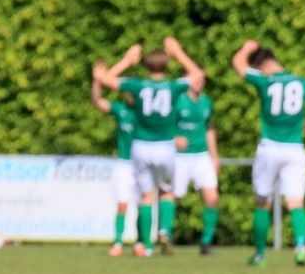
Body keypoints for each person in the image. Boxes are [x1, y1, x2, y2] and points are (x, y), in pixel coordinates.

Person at [95, 37, 203, 257]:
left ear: (146, 66)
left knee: (146, 196)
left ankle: (146, 246)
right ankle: (163, 231)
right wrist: (178, 52)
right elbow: (198, 76)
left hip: (140, 147)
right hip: (165, 145)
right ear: (167, 65)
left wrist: (126, 60)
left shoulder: (137, 85)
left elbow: (105, 79)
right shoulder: (173, 86)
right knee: (166, 192)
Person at [232, 40, 305, 267]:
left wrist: (246, 48)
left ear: (261, 66)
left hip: (269, 148)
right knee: (296, 202)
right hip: (295, 150)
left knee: (262, 201)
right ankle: (301, 247)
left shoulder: (264, 81)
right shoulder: (302, 83)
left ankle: (260, 255)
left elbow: (238, 64)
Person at [89, 63, 137, 257]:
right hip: (124, 163)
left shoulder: (148, 112)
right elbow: (97, 100)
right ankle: (118, 242)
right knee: (122, 203)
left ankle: (142, 243)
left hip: (143, 164)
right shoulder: (121, 110)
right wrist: (97, 80)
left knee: (144, 204)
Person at [173, 77, 220, 255]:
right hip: (180, 157)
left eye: (203, 79)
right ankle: (163, 237)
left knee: (212, 197)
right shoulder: (177, 100)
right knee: (173, 197)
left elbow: (209, 129)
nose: (200, 82)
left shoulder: (206, 102)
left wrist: (214, 156)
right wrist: (174, 138)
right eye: (196, 78)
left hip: (202, 156)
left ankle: (206, 243)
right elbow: (164, 125)